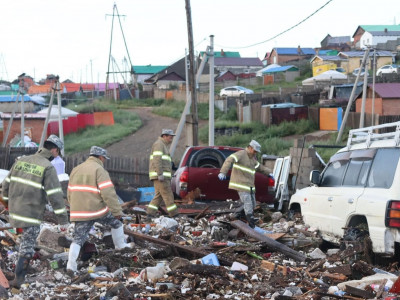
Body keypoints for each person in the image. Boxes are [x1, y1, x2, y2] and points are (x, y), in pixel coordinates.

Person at [2, 141, 69, 288]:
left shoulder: (21, 161)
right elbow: (55, 195)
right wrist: (63, 220)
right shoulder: (47, 167)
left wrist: (8, 205)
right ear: (54, 150)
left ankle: (19, 276)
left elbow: (5, 185)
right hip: (30, 214)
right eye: (57, 153)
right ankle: (19, 280)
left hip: (14, 211)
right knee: (27, 246)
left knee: (24, 243)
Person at [66, 146, 133, 275]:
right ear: (101, 158)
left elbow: (69, 192)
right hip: (96, 210)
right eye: (104, 159)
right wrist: (117, 211)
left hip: (79, 211)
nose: (104, 161)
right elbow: (108, 193)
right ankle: (120, 246)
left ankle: (70, 266)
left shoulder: (76, 169)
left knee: (78, 239)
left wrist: (74, 206)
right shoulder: (99, 169)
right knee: (116, 223)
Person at [218, 140, 272, 228]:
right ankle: (250, 223)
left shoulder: (252, 159)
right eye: (254, 151)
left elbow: (260, 167)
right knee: (248, 203)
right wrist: (223, 172)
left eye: (256, 152)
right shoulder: (241, 154)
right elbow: (229, 159)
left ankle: (239, 217)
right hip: (241, 184)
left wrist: (269, 173)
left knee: (253, 204)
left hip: (249, 186)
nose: (255, 153)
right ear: (250, 148)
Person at [146, 129, 179, 221]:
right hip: (161, 177)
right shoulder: (159, 144)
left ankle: (149, 214)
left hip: (161, 176)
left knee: (159, 196)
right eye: (170, 137)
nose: (171, 139)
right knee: (168, 195)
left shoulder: (162, 145)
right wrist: (160, 173)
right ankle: (175, 215)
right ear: (164, 136)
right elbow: (157, 159)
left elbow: (161, 160)